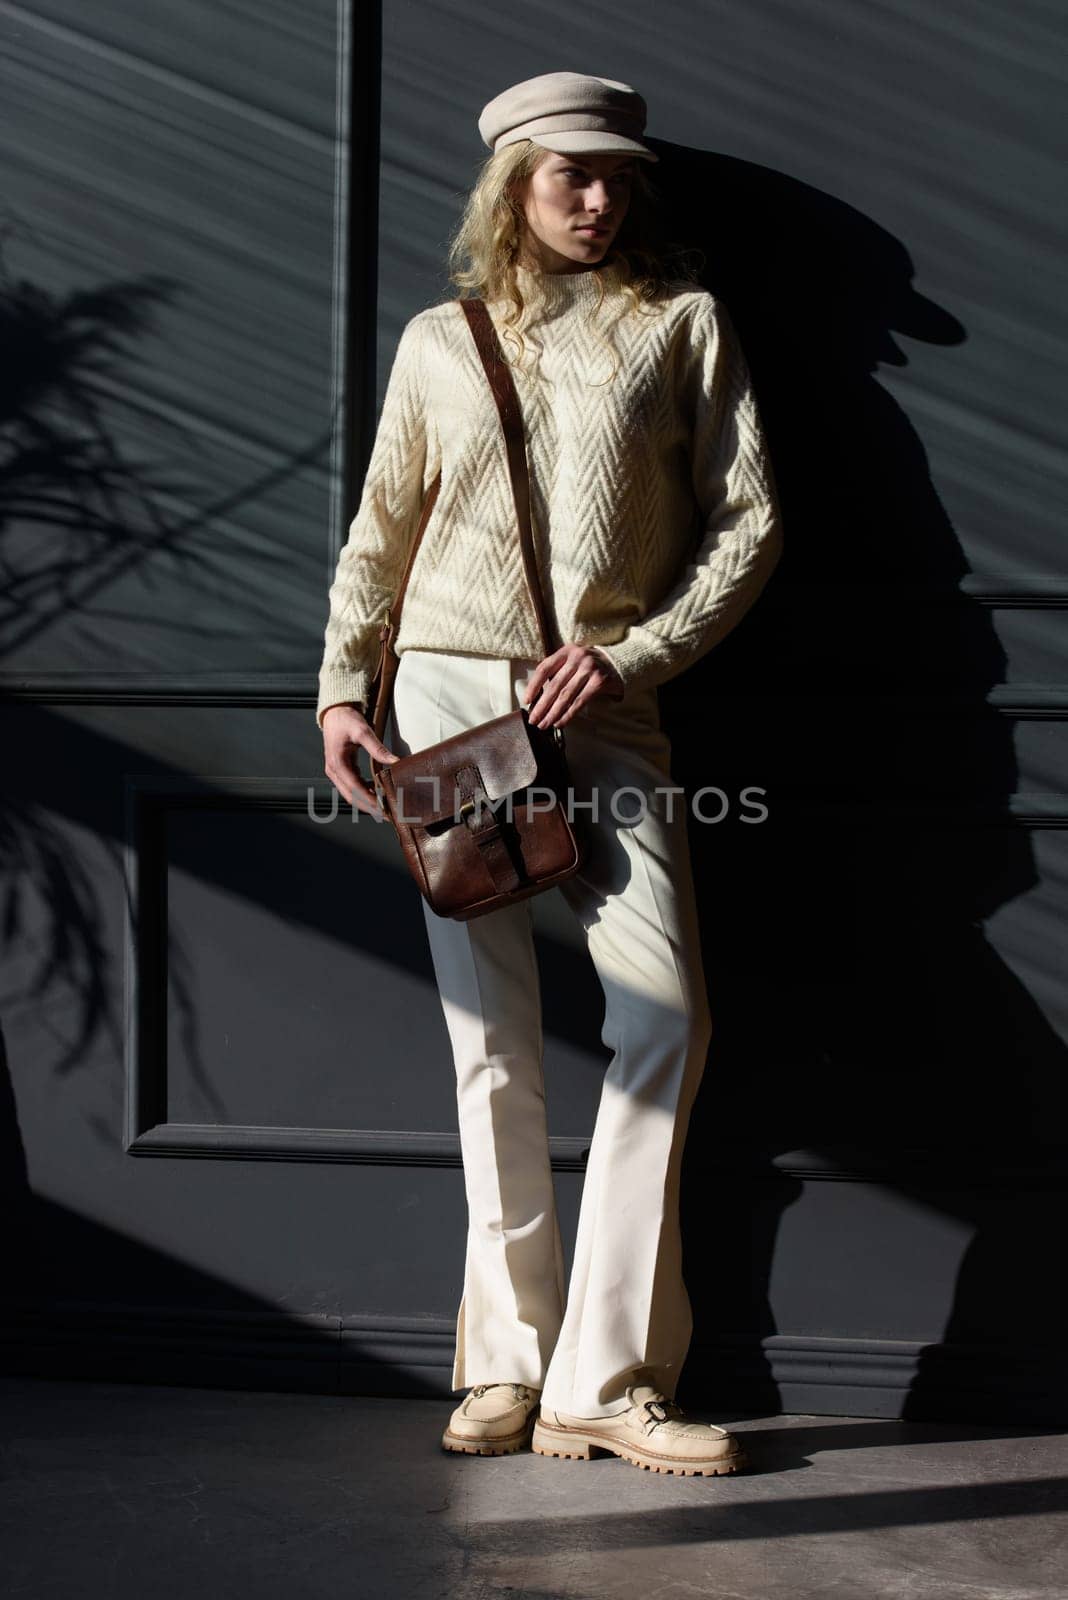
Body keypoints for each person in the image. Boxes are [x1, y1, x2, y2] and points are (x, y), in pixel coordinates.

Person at [317, 71, 783, 1476]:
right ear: (513, 184)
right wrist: (343, 687)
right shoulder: (441, 344)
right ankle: (506, 1362)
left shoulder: (680, 326)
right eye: (572, 174)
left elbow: (749, 523)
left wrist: (635, 658)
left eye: (617, 176)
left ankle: (606, 1377)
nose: (600, 197)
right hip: (452, 700)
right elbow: (381, 526)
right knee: (490, 1042)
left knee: (665, 1020)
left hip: (604, 708)